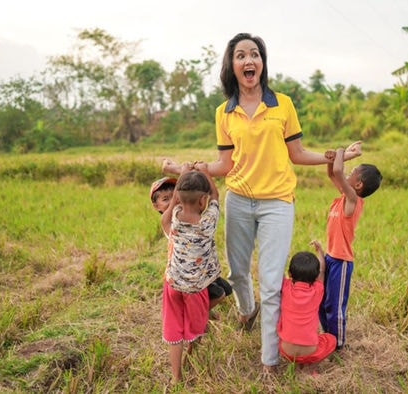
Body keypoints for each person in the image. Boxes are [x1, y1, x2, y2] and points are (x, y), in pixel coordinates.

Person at [163, 32, 361, 373]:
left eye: (254, 54)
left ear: (262, 63)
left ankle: (269, 361)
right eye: (241, 56)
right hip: (239, 200)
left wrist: (334, 155)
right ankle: (246, 309)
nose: (248, 60)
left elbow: (296, 153)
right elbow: (225, 165)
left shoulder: (281, 104)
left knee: (271, 284)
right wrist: (193, 167)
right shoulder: (224, 112)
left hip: (277, 204)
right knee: (238, 273)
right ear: (232, 65)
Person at [160, 163, 222, 384]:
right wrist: (205, 171)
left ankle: (176, 377)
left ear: (178, 197)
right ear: (203, 201)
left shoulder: (175, 217)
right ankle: (190, 358)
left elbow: (170, 211)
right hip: (195, 289)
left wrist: (183, 174)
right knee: (196, 326)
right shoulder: (207, 223)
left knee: (174, 330)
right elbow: (216, 195)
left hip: (173, 284)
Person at [318, 147, 382, 350]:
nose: (347, 172)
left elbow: (337, 172)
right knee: (322, 300)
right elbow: (331, 172)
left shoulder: (353, 200)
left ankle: (338, 344)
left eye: (352, 171)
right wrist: (331, 158)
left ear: (358, 184)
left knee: (335, 305)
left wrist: (341, 151)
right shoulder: (343, 197)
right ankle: (326, 337)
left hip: (341, 262)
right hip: (329, 258)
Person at [150, 175, 232, 319]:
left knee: (226, 289)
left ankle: (201, 310)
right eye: (165, 199)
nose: (172, 202)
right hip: (190, 276)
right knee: (219, 294)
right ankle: (196, 314)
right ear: (156, 206)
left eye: (174, 196)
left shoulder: (185, 215)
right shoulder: (170, 222)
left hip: (204, 271)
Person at [277, 240, 336, 373]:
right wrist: (320, 251)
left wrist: (281, 254)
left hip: (286, 350)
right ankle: (310, 367)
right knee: (331, 340)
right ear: (315, 276)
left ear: (290, 274)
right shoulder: (317, 291)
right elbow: (321, 271)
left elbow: (277, 270)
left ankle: (297, 365)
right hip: (310, 350)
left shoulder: (285, 288)